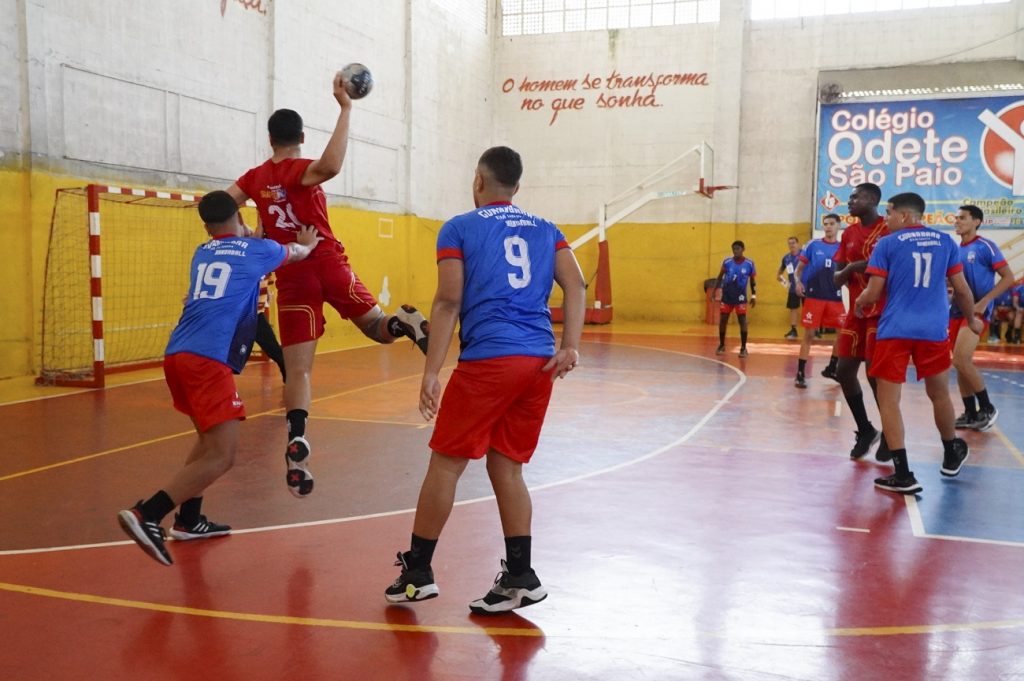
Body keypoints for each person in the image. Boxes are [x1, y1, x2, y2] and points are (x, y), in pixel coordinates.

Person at [383, 146, 586, 615]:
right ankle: (520, 576)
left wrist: (431, 372)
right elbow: (576, 284)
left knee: (447, 464)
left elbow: (448, 302)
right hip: (538, 363)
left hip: (490, 360)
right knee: (506, 467)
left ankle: (417, 574)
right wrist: (570, 346)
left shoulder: (459, 228)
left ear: (478, 181)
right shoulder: (547, 229)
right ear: (516, 186)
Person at [227, 72, 430, 499]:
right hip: (327, 261)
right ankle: (403, 323)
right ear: (300, 136)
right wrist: (346, 107)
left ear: (269, 138)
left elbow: (218, 206)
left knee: (298, 369)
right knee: (377, 329)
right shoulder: (300, 170)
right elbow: (332, 165)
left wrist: (248, 234)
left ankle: (297, 440)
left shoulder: (254, 177)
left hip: (293, 276)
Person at [117, 191, 321, 566]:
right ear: (239, 215)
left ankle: (190, 519)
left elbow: (234, 258)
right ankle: (147, 514)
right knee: (224, 455)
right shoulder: (254, 250)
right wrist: (306, 243)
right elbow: (296, 253)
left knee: (207, 440)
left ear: (206, 225)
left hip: (176, 354)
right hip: (207, 360)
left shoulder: (202, 252)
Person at [855, 192, 978, 494]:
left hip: (895, 329)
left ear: (906, 216)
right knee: (939, 395)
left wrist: (858, 304)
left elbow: (872, 293)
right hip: (934, 330)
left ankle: (903, 474)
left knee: (889, 401)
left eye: (890, 213)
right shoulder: (946, 242)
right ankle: (951, 452)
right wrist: (972, 319)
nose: (886, 218)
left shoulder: (887, 244)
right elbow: (961, 290)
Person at [833, 183, 891, 461]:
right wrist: (841, 273)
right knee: (843, 371)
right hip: (856, 310)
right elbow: (839, 268)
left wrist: (854, 268)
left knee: (874, 374)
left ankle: (892, 433)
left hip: (880, 310)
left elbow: (887, 269)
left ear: (872, 199)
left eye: (855, 196)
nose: (850, 201)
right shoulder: (849, 233)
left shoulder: (888, 229)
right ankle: (866, 429)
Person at [949, 205, 1014, 432]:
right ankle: (970, 413)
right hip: (956, 312)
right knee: (959, 363)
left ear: (976, 221)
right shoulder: (955, 250)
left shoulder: (986, 246)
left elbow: (1008, 277)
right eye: (956, 218)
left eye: (962, 218)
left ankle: (987, 408)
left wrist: (986, 301)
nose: (957, 221)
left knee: (961, 360)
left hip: (976, 312)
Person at [793, 214, 844, 389]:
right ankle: (800, 373)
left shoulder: (843, 247)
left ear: (838, 226)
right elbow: (799, 270)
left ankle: (832, 367)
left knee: (842, 334)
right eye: (825, 224)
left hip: (836, 298)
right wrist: (798, 283)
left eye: (831, 224)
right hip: (814, 297)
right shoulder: (813, 245)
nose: (828, 227)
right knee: (809, 335)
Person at [713, 241, 756, 358]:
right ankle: (721, 344)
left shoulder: (749, 263)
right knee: (723, 319)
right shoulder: (727, 262)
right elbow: (719, 277)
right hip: (727, 295)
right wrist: (714, 291)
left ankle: (743, 348)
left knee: (742, 320)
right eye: (733, 249)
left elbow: (752, 281)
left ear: (743, 249)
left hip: (740, 296)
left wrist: (753, 295)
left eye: (737, 249)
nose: (735, 251)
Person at [255, 274, 286, 382]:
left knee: (273, 349)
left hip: (256, 315)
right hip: (241, 314)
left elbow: (269, 282)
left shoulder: (268, 263)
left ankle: (287, 374)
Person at [777, 236, 802, 339]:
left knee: (810, 307)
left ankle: (815, 330)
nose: (791, 245)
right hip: (793, 288)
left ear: (798, 244)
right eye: (789, 243)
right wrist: (786, 283)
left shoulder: (804, 255)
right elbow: (778, 275)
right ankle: (793, 330)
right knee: (793, 308)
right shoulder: (786, 258)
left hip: (806, 286)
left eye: (793, 243)